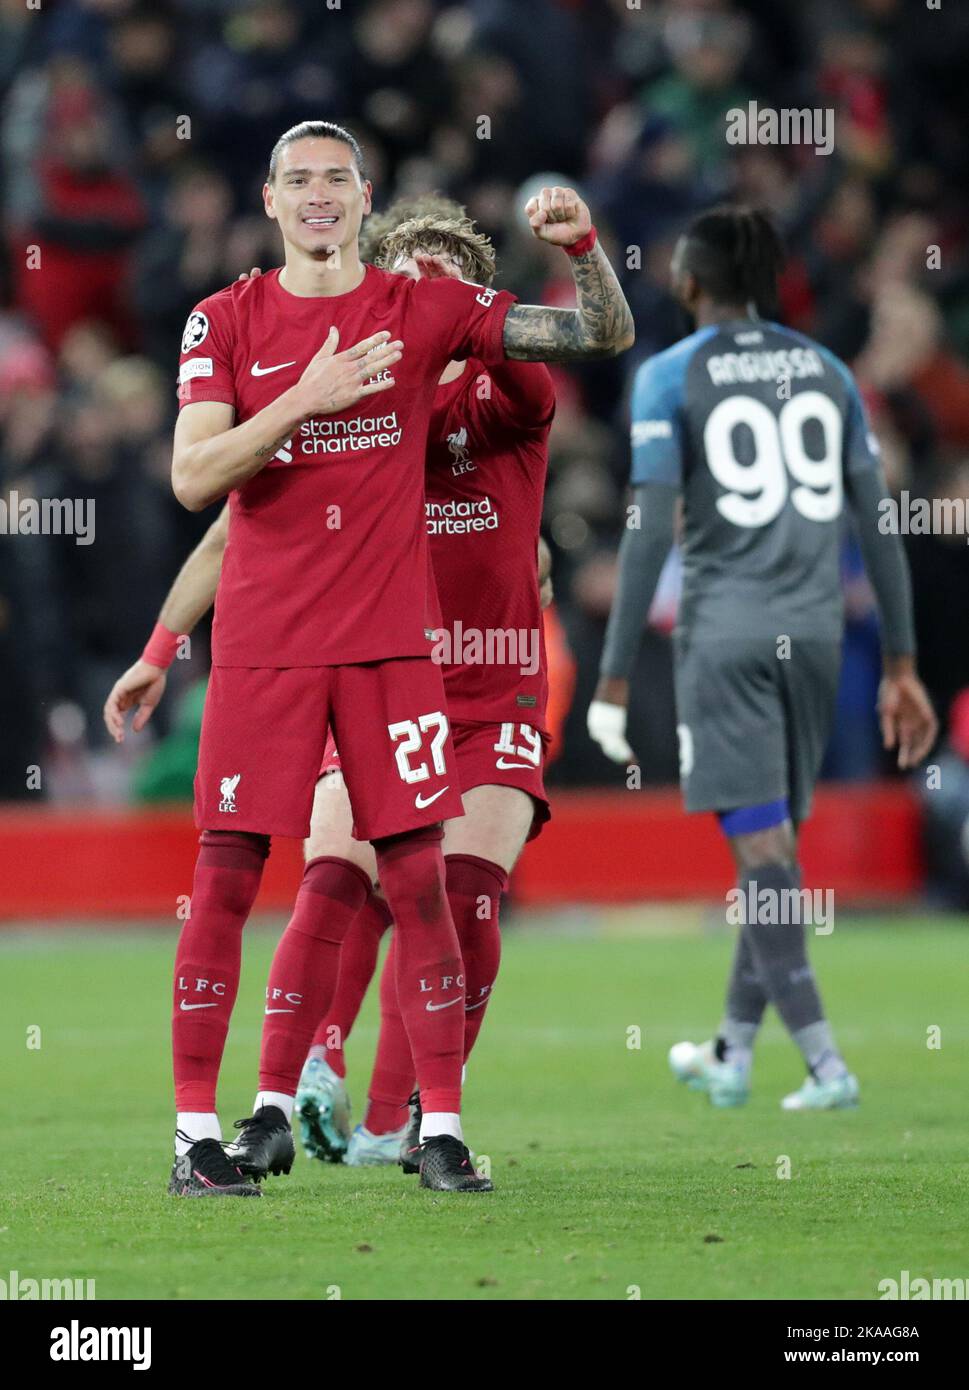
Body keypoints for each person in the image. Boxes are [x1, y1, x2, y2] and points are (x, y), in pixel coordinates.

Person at [114, 119, 633, 1195]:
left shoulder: (424, 317)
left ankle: (428, 1126)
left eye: (336, 180)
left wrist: (585, 247)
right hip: (264, 650)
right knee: (229, 883)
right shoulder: (222, 318)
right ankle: (206, 1132)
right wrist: (309, 394)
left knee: (428, 886)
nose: (317, 196)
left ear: (363, 197)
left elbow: (594, 336)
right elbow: (196, 482)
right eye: (297, 180)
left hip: (400, 657)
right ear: (269, 198)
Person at [587, 205, 936, 1111]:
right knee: (768, 851)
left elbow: (644, 534)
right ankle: (731, 1053)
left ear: (691, 283)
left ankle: (825, 1064)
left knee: (766, 853)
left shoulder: (667, 376)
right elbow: (879, 525)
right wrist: (901, 665)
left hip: (726, 637)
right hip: (818, 637)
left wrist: (614, 672)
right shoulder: (827, 374)